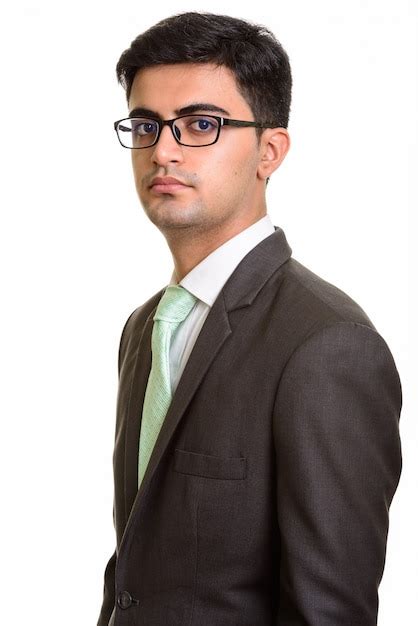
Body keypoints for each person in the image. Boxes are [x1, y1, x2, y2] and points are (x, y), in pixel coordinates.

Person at [97, 11, 403, 626]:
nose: (164, 150)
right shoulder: (145, 327)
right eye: (146, 124)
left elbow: (331, 613)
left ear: (269, 150)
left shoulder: (326, 345)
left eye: (200, 124)